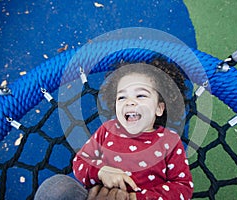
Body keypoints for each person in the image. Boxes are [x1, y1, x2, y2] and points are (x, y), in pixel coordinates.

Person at [73, 61, 193, 199]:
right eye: (122, 97)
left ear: (159, 108)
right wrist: (100, 172)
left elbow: (183, 187)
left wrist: (136, 198)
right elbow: (80, 162)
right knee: (56, 188)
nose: (129, 102)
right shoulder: (107, 130)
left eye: (141, 95)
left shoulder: (169, 141)